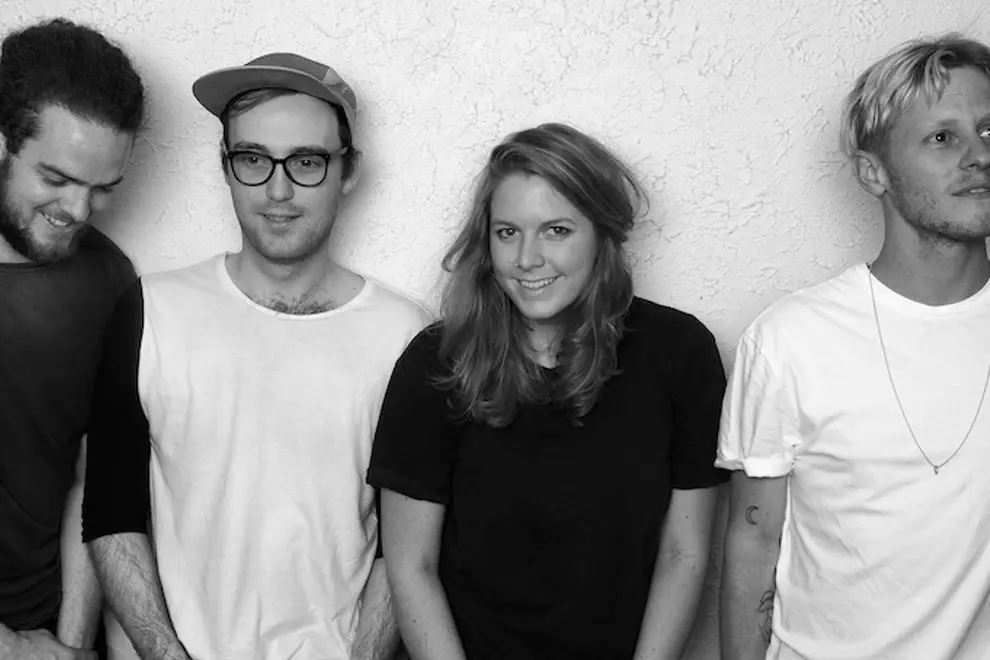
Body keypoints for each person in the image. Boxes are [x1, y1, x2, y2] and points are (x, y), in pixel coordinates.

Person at [81, 53, 431, 659]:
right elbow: (112, 514)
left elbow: (403, 551)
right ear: (225, 166)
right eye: (252, 159)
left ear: (349, 170)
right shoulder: (150, 310)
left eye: (307, 162)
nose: (278, 190)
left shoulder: (406, 336)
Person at [368, 122, 727, 660]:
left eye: (556, 230)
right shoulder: (436, 361)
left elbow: (685, 554)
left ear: (602, 233)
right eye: (507, 232)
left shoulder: (680, 353)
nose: (526, 258)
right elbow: (410, 566)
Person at [718, 34, 990, 660]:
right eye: (942, 137)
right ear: (874, 172)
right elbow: (753, 544)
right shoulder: (790, 340)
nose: (979, 155)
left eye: (988, 131)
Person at [0, 18, 145, 660]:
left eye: (103, 188)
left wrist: (69, 646)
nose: (79, 211)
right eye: (56, 179)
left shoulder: (109, 281)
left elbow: (92, 480)